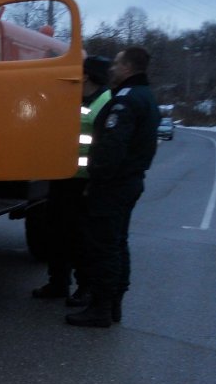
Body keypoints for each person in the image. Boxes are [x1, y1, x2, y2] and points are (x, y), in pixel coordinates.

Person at [66, 46, 160, 327]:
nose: (113, 69)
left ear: (129, 67)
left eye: (118, 64)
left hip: (113, 185)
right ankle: (114, 303)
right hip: (129, 181)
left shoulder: (125, 101)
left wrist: (95, 179)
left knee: (104, 246)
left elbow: (111, 148)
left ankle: (101, 308)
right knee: (118, 243)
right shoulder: (146, 97)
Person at [32, 55, 112, 305]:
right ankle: (58, 283)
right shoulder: (74, 98)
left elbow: (107, 149)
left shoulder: (106, 103)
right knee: (56, 232)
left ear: (87, 75)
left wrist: (96, 181)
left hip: (85, 182)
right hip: (62, 178)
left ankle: (85, 287)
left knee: (81, 238)